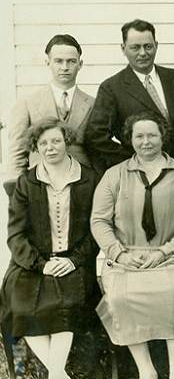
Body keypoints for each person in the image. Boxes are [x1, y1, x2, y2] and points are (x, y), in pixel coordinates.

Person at [91, 111, 174, 379]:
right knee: (120, 297)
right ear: (130, 139)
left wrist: (165, 251)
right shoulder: (114, 176)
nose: (146, 141)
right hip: (125, 257)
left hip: (168, 256)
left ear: (163, 137)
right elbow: (99, 221)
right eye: (139, 136)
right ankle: (146, 371)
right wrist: (119, 253)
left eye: (152, 135)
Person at [0, 118, 100, 379]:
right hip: (32, 264)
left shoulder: (89, 179)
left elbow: (97, 230)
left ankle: (55, 375)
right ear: (36, 147)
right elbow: (15, 235)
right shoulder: (26, 182)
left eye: (56, 141)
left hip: (73, 262)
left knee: (65, 306)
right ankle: (60, 375)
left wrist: (74, 260)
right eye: (43, 143)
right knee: (20, 306)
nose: (50, 147)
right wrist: (41, 263)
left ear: (67, 141)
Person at [84, 19, 174, 175]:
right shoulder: (111, 88)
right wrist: (132, 160)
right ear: (123, 49)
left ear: (156, 46)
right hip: (140, 173)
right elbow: (96, 137)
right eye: (135, 48)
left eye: (148, 46)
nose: (143, 53)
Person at [4, 34, 94, 195]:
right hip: (39, 187)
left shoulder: (93, 104)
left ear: (80, 64)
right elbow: (17, 152)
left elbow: (97, 151)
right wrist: (17, 194)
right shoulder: (27, 103)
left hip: (82, 188)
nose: (65, 67)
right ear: (48, 63)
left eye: (71, 61)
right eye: (58, 61)